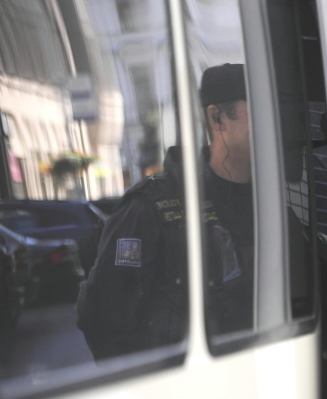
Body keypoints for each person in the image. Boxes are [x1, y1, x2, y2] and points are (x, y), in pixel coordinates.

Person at [76, 63, 255, 359]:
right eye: (256, 110)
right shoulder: (150, 206)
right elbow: (102, 316)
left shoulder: (271, 196)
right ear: (217, 117)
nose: (272, 121)